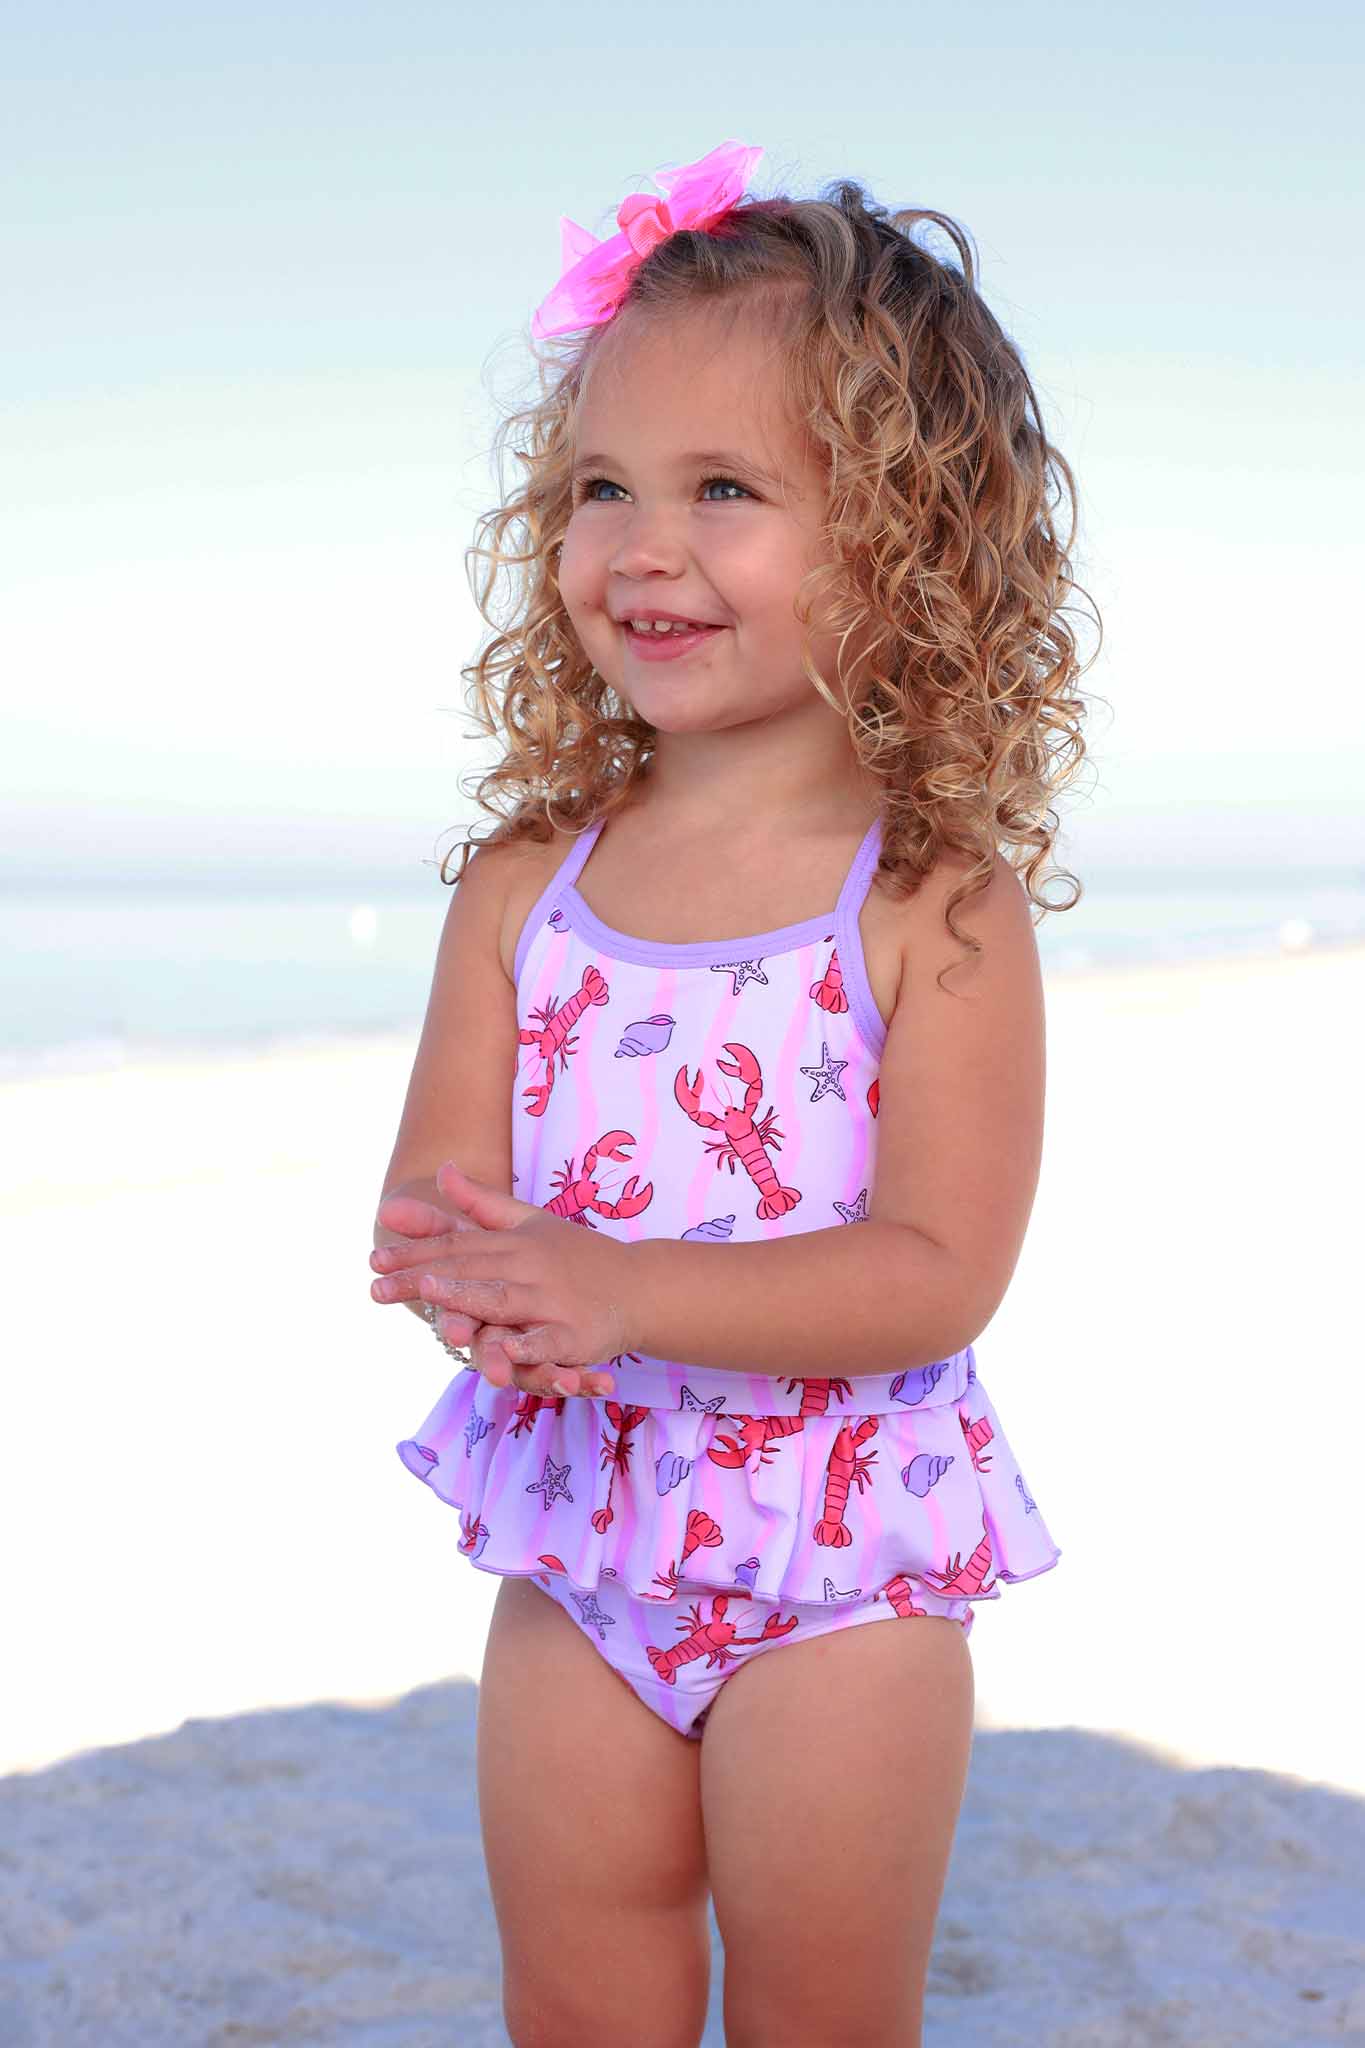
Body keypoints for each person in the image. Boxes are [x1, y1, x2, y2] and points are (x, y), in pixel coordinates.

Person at [370, 139, 1097, 2048]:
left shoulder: (931, 897)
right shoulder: (529, 884)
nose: (642, 546)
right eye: (600, 487)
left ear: (905, 541)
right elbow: (441, 1188)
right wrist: (473, 1281)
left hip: (841, 1557)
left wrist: (618, 1293)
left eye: (724, 490)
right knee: (580, 1991)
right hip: (583, 1538)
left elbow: (936, 1268)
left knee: (818, 2010)